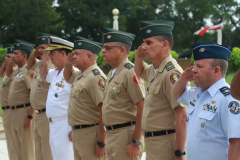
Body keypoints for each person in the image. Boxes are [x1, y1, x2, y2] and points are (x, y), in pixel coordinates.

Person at [172, 41, 240, 160]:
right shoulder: (197, 92)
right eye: (194, 65)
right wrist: (183, 79)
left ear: (216, 71)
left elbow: (236, 144)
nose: (193, 70)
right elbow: (176, 95)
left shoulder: (228, 99)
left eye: (199, 66)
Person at [134, 20, 187, 160]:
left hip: (165, 143)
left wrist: (179, 152)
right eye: (144, 42)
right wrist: (138, 58)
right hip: (153, 143)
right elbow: (139, 72)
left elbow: (182, 115)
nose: (144, 47)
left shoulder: (171, 73)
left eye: (149, 42)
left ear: (164, 44)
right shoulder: (155, 69)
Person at [102, 28, 145, 160]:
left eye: (108, 48)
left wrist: (136, 141)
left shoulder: (130, 72)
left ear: (121, 50)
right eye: (104, 47)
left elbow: (143, 106)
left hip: (125, 135)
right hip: (112, 134)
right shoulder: (112, 72)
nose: (103, 50)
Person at [63, 36, 107, 160]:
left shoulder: (95, 78)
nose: (73, 56)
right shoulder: (81, 75)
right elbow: (67, 77)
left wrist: (102, 142)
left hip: (91, 134)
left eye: (77, 54)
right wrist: (68, 63)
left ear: (88, 56)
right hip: (80, 133)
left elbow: (103, 110)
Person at [40, 36, 78, 160]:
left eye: (52, 53)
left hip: (65, 124)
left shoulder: (73, 74)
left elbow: (80, 102)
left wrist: (75, 127)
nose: (50, 56)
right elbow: (44, 76)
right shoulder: (55, 73)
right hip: (53, 124)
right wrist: (44, 63)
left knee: (67, 157)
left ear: (63, 53)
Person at [27, 33, 56, 160]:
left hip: (47, 114)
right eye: (39, 48)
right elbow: (28, 65)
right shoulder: (38, 64)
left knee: (47, 152)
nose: (40, 51)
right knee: (38, 151)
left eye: (44, 48)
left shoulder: (54, 67)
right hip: (38, 114)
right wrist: (34, 54)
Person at [8, 39, 36, 160]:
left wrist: (30, 117)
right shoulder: (18, 71)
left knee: (26, 150)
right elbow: (6, 73)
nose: (13, 56)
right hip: (14, 113)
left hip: (24, 112)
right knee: (17, 149)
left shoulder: (28, 71)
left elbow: (33, 95)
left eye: (16, 53)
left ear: (24, 56)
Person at [0, 44, 18, 160]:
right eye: (6, 56)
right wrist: (4, 66)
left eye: (9, 57)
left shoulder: (17, 72)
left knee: (15, 145)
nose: (6, 59)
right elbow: (1, 74)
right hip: (6, 111)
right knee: (10, 145)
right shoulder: (8, 72)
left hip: (13, 111)